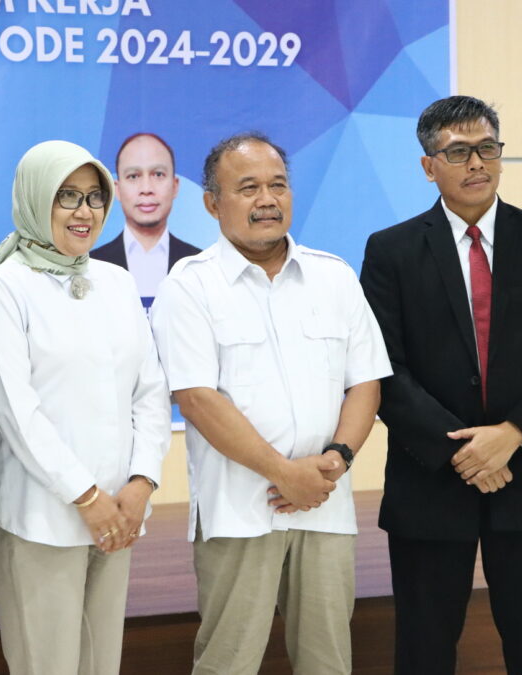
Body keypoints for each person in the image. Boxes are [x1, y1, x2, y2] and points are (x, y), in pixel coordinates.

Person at [359, 95, 522, 674]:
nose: (477, 164)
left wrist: (512, 434)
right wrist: (467, 451)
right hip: (430, 483)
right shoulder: (390, 251)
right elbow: (382, 368)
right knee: (423, 649)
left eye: (487, 149)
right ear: (428, 166)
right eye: (459, 151)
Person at [151, 132, 392, 675]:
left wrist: (338, 458)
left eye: (278, 185)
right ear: (213, 203)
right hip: (238, 510)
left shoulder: (333, 276)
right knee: (228, 662)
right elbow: (196, 398)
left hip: (326, 503)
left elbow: (366, 383)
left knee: (328, 661)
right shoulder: (190, 286)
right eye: (248, 188)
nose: (267, 199)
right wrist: (284, 473)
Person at [0, 140, 170, 675]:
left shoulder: (117, 280)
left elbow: (150, 390)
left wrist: (142, 483)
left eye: (95, 197)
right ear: (36, 200)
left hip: (120, 512)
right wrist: (86, 495)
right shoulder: (2, 288)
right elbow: (15, 410)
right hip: (40, 513)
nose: (85, 212)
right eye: (67, 197)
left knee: (102, 664)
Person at [90, 132, 201, 303]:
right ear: (117, 190)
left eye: (158, 174)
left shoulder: (198, 265)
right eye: (133, 176)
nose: (146, 188)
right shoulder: (91, 266)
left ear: (175, 186)